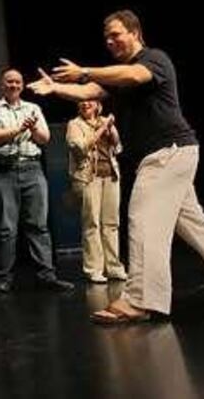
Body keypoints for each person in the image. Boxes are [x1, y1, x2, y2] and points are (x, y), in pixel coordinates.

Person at [28, 9, 204, 324]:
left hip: (168, 151)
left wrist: (86, 71)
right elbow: (91, 90)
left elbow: (131, 76)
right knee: (194, 224)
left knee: (142, 218)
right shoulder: (118, 75)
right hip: (169, 154)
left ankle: (142, 299)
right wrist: (56, 88)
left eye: (116, 34)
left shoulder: (153, 59)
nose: (110, 41)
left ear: (135, 32)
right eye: (106, 37)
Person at [0, 68, 74, 293]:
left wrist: (32, 128)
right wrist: (17, 129)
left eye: (17, 82)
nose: (13, 85)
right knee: (6, 227)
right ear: (2, 85)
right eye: (9, 82)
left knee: (39, 225)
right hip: (3, 171)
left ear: (22, 85)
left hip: (32, 168)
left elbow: (45, 138)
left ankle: (46, 276)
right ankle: (3, 277)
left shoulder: (33, 108)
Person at [66, 99, 127, 283]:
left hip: (111, 176)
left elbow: (118, 148)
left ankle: (114, 267)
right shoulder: (74, 124)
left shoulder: (104, 121)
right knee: (92, 223)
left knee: (111, 223)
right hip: (88, 178)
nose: (85, 104)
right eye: (82, 102)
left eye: (90, 101)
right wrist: (101, 129)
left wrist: (111, 129)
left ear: (98, 105)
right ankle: (94, 269)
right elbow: (80, 148)